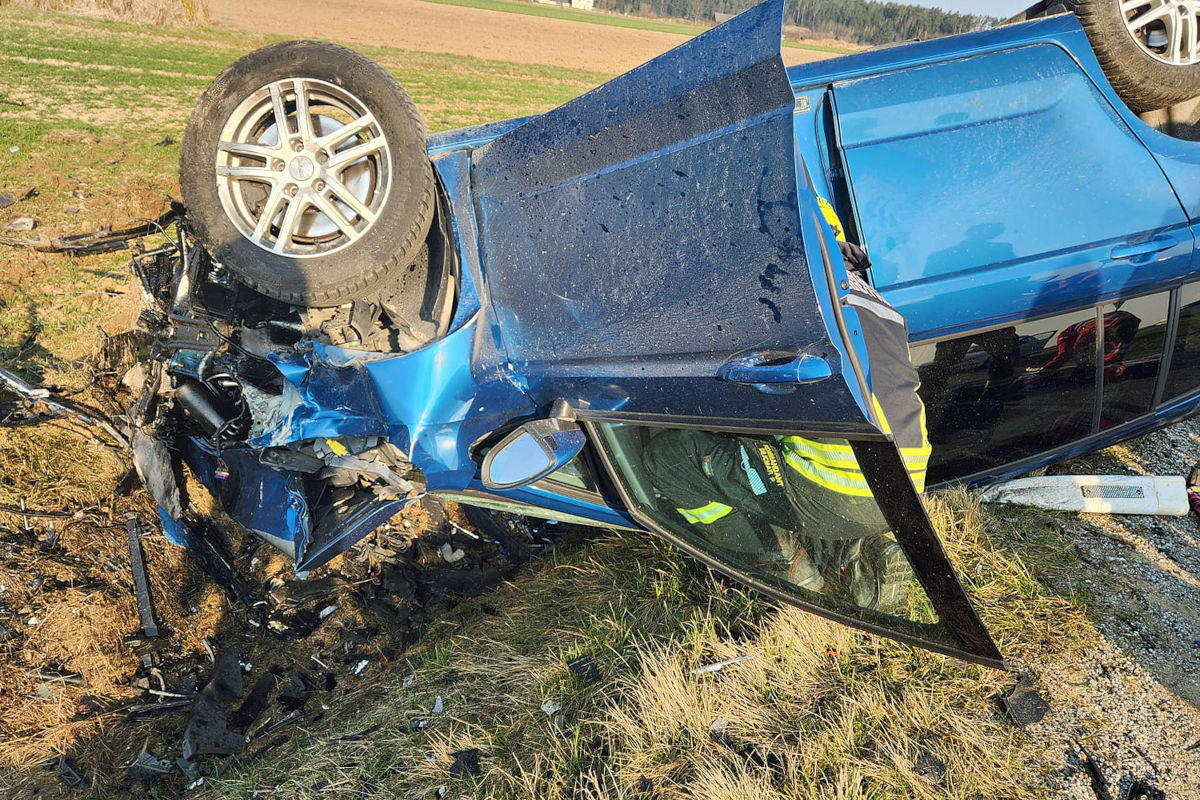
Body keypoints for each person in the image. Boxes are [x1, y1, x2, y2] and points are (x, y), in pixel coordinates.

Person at [643, 198, 930, 613]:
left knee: (671, 459)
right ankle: (855, 550)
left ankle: (779, 564)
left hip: (833, 486)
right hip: (902, 487)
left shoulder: (784, 296)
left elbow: (734, 387)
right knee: (787, 458)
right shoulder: (877, 305)